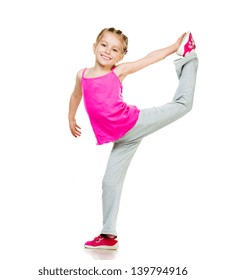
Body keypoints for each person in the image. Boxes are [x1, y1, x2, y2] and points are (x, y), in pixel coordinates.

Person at [68, 27, 198, 250]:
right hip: (122, 138)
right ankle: (108, 236)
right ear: (94, 46)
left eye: (115, 49)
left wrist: (175, 47)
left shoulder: (117, 72)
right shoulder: (82, 74)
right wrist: (71, 117)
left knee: (183, 105)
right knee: (109, 182)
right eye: (104, 45)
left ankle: (190, 56)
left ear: (120, 57)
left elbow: (149, 58)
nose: (108, 51)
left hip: (134, 122)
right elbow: (76, 95)